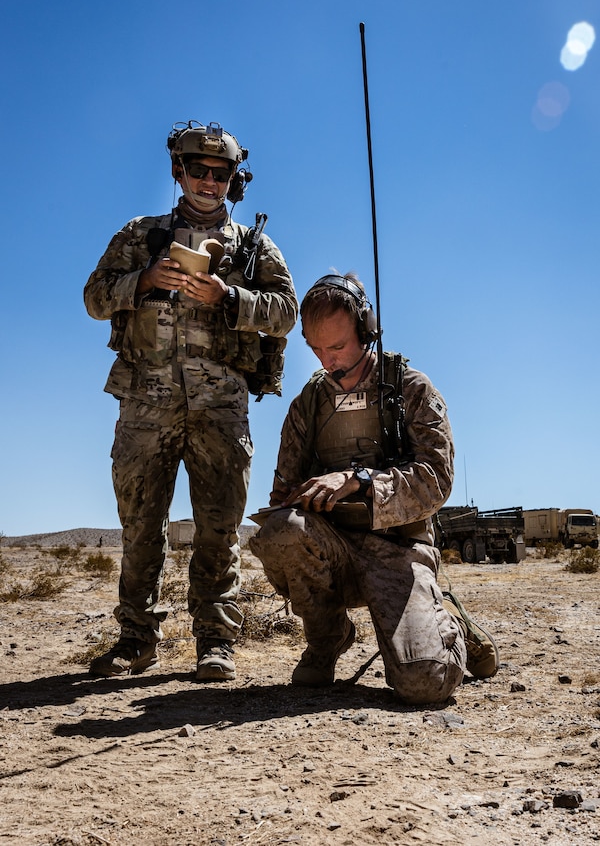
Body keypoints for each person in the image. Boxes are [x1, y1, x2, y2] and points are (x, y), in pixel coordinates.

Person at [84, 120, 297, 682]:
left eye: (219, 173)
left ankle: (214, 643)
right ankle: (135, 639)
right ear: (177, 171)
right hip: (143, 405)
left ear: (233, 179)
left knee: (218, 527)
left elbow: (287, 312)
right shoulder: (140, 235)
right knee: (139, 525)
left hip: (220, 408)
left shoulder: (252, 247)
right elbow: (94, 298)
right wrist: (147, 280)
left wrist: (230, 295)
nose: (208, 180)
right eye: (197, 170)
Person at [249, 273, 498, 704]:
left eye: (338, 347)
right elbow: (282, 495)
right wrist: (299, 502)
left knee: (424, 683)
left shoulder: (410, 389)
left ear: (367, 331)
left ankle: (449, 619)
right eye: (316, 349)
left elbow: (436, 478)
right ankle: (328, 638)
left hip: (398, 552)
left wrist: (359, 482)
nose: (327, 361)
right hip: (333, 552)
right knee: (280, 530)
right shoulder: (307, 405)